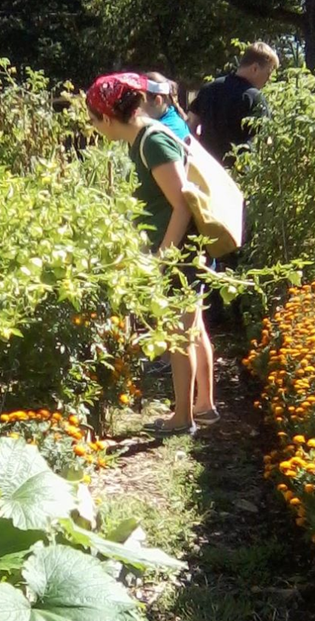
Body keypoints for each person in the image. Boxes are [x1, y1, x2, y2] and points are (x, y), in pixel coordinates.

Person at [86, 72, 218, 435]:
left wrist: (163, 258)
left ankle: (183, 418)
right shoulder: (143, 139)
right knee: (192, 329)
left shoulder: (152, 142)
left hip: (177, 253)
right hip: (179, 251)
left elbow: (182, 205)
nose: (96, 129)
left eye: (94, 121)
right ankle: (204, 406)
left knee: (179, 336)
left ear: (108, 118)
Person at [188, 41, 279, 166]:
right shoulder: (254, 97)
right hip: (238, 172)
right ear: (255, 68)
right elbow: (267, 139)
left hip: (206, 168)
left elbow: (191, 125)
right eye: (268, 73)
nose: (268, 79)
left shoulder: (208, 89)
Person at [141, 72, 191, 142]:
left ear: (157, 101)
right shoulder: (174, 117)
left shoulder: (159, 135)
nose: (135, 106)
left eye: (139, 99)